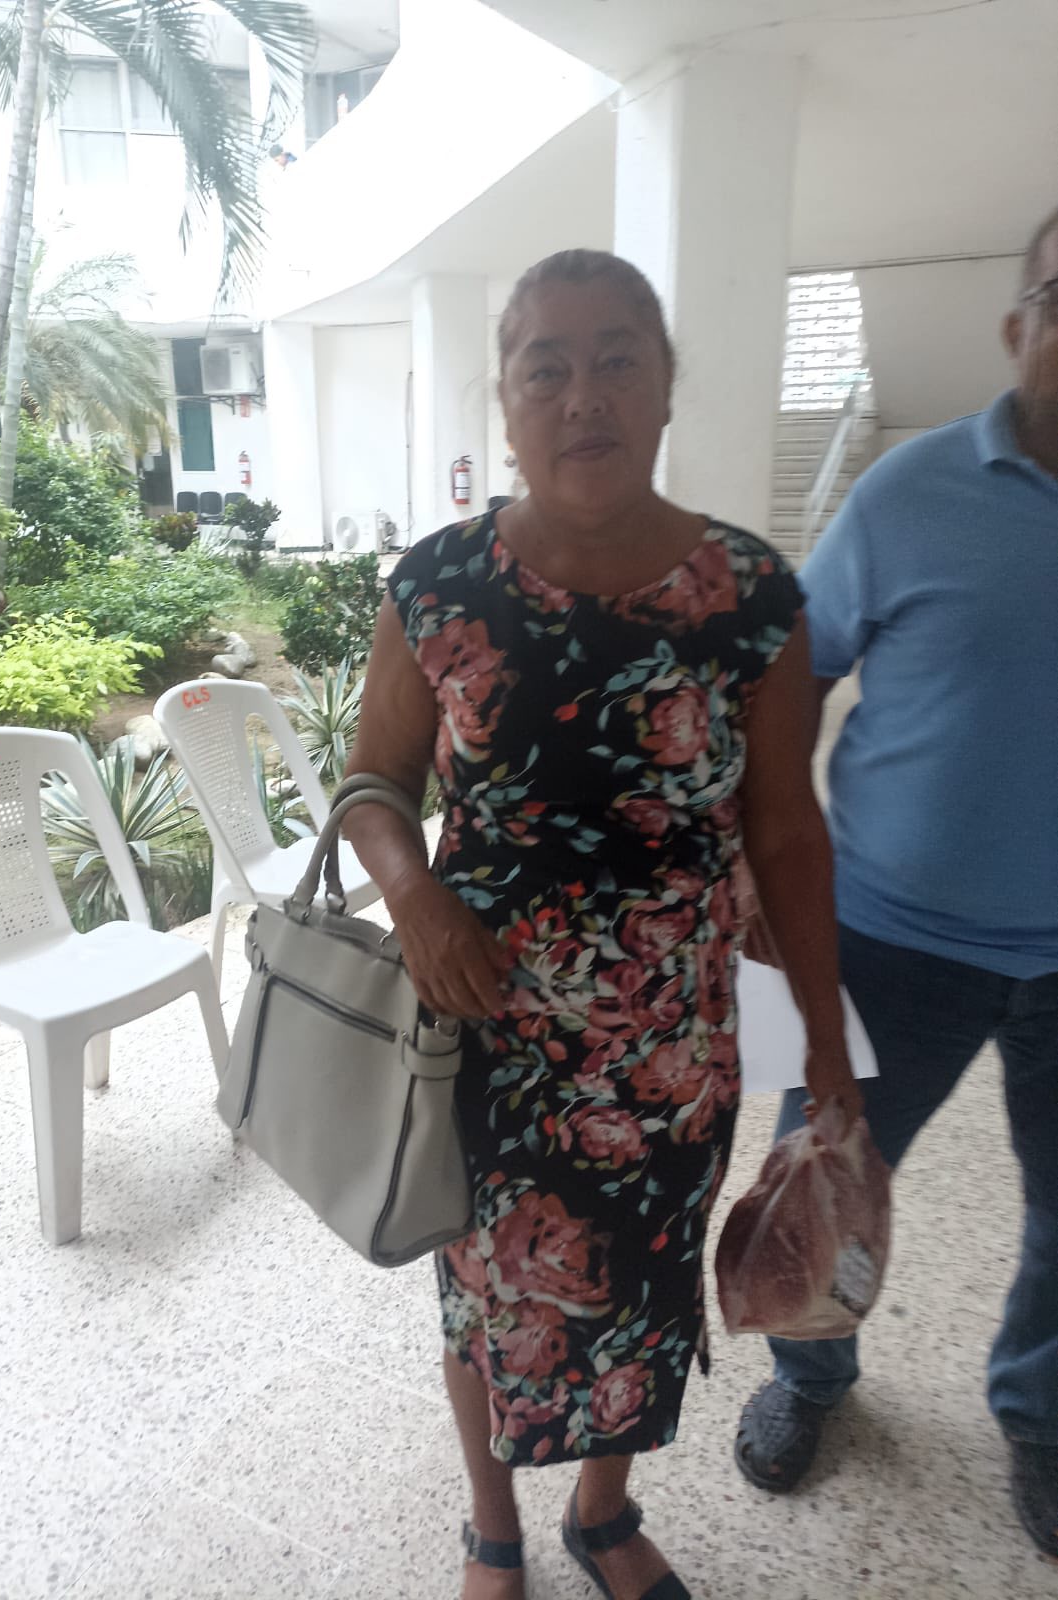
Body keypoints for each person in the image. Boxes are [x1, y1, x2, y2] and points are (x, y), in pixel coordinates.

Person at [344, 248, 861, 1600]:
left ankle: (601, 1512)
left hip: (669, 1052)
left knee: (639, 1289)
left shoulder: (751, 596)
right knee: (483, 1294)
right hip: (483, 1036)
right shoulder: (436, 586)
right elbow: (371, 785)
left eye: (618, 358)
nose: (584, 394)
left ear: (667, 384)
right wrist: (413, 894)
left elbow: (785, 833)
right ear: (506, 404)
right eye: (547, 368)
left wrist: (823, 1038)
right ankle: (492, 1529)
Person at [734, 206, 1058, 1561]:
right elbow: (791, 681)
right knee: (820, 1175)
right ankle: (810, 1378)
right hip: (884, 939)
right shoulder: (909, 491)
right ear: (1018, 326)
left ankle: (1039, 1417)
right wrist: (772, 865)